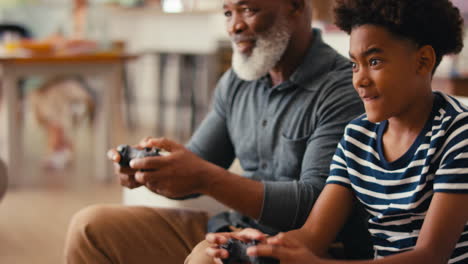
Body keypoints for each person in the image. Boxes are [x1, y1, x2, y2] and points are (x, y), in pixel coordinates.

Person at [64, 0, 370, 263]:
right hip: (232, 229)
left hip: (297, 249)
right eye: (227, 12)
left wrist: (203, 177)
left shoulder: (343, 89)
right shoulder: (237, 82)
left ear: (296, 6)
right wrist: (155, 172)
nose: (234, 26)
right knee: (90, 227)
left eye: (248, 9)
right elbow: (197, 165)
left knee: (205, 258)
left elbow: (314, 207)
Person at [205, 0, 468, 263]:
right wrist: (256, 247)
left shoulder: (457, 133)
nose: (359, 80)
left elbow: (431, 256)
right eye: (355, 64)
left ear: (423, 61)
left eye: (374, 62)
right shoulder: (357, 135)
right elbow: (312, 236)